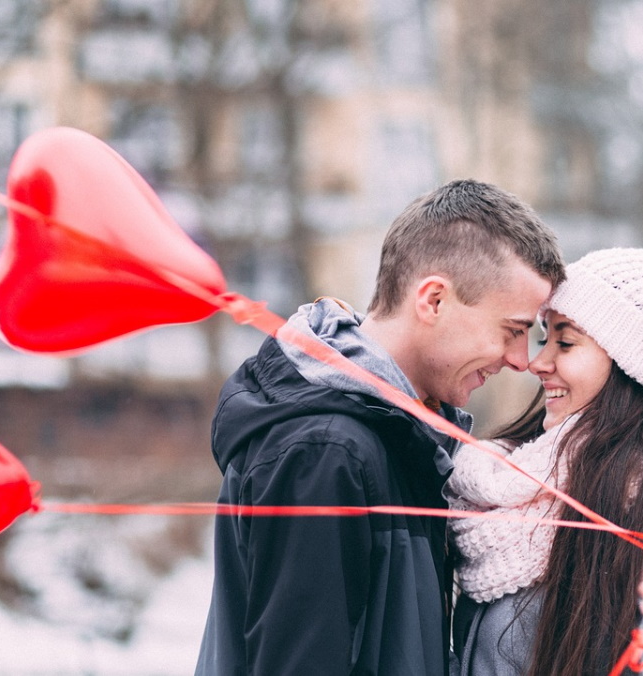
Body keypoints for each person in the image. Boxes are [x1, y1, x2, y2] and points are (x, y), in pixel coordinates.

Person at [194, 179, 566, 676]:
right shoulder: (326, 452)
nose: (522, 360)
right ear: (433, 300)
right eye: (513, 330)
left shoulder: (400, 437)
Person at [448, 247, 643, 675]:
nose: (538, 362)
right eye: (545, 338)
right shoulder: (504, 490)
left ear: (635, 370)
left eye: (565, 342)